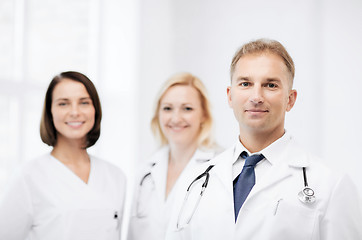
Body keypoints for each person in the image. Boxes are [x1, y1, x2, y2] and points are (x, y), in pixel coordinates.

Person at [166, 39, 362, 240]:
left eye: (270, 85)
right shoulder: (194, 180)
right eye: (245, 84)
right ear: (230, 96)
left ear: (290, 99)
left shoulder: (331, 185)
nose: (256, 96)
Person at [0, 71, 126, 240]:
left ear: (95, 109)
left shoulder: (115, 177)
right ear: (50, 112)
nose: (75, 112)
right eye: (63, 104)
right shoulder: (28, 177)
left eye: (84, 102)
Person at [127, 72, 220, 240]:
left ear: (203, 115)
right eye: (168, 108)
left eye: (187, 109)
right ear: (158, 115)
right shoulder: (145, 172)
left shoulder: (220, 169)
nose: (176, 118)